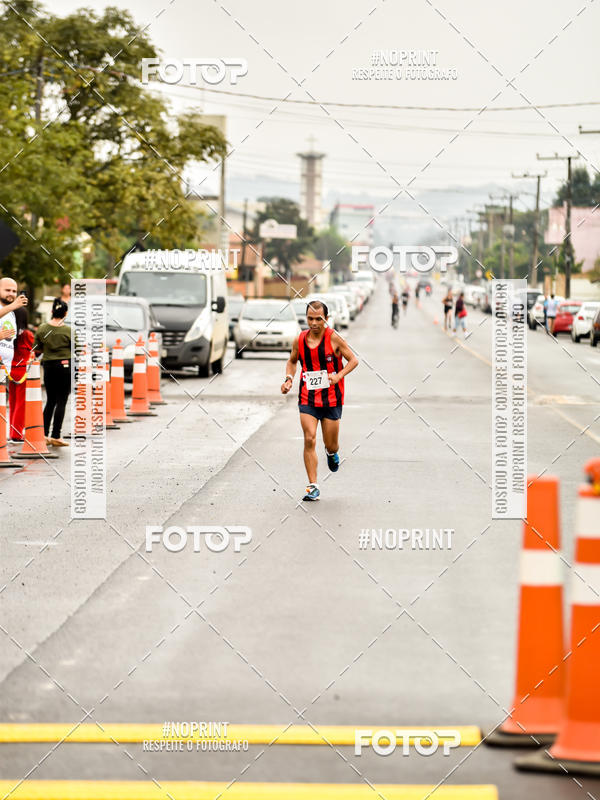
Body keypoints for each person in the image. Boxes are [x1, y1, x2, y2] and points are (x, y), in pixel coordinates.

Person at [281, 300, 359, 501]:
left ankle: (331, 453)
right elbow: (292, 361)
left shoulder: (335, 338)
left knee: (331, 444)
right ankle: (313, 486)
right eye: (310, 319)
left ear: (326, 318)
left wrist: (339, 376)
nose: (314, 323)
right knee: (309, 438)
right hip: (307, 397)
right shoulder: (300, 340)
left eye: (318, 319)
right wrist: (289, 379)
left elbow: (353, 360)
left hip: (332, 399)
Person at [33, 298, 72, 446]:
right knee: (62, 401)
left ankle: (43, 435)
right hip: (65, 366)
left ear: (52, 311)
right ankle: (56, 435)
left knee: (50, 401)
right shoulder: (68, 330)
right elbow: (78, 348)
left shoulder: (42, 328)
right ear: (65, 313)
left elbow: (36, 348)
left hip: (48, 366)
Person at [9, 306, 34, 442]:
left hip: (10, 370)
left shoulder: (8, 333)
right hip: (23, 371)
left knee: (13, 402)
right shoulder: (27, 334)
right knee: (21, 404)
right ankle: (17, 433)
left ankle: (12, 431)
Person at [0, 278, 28, 375]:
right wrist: (14, 305)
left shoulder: (11, 313)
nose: (11, 294)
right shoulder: (12, 308)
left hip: (6, 371)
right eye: (7, 290)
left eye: (14, 291)